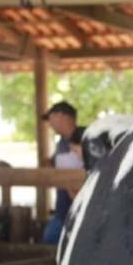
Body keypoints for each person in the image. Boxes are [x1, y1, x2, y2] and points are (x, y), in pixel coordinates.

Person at [41, 101, 86, 245]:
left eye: (51, 118)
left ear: (61, 116)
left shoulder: (86, 137)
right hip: (63, 210)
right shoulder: (61, 143)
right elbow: (56, 163)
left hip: (82, 210)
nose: (50, 123)